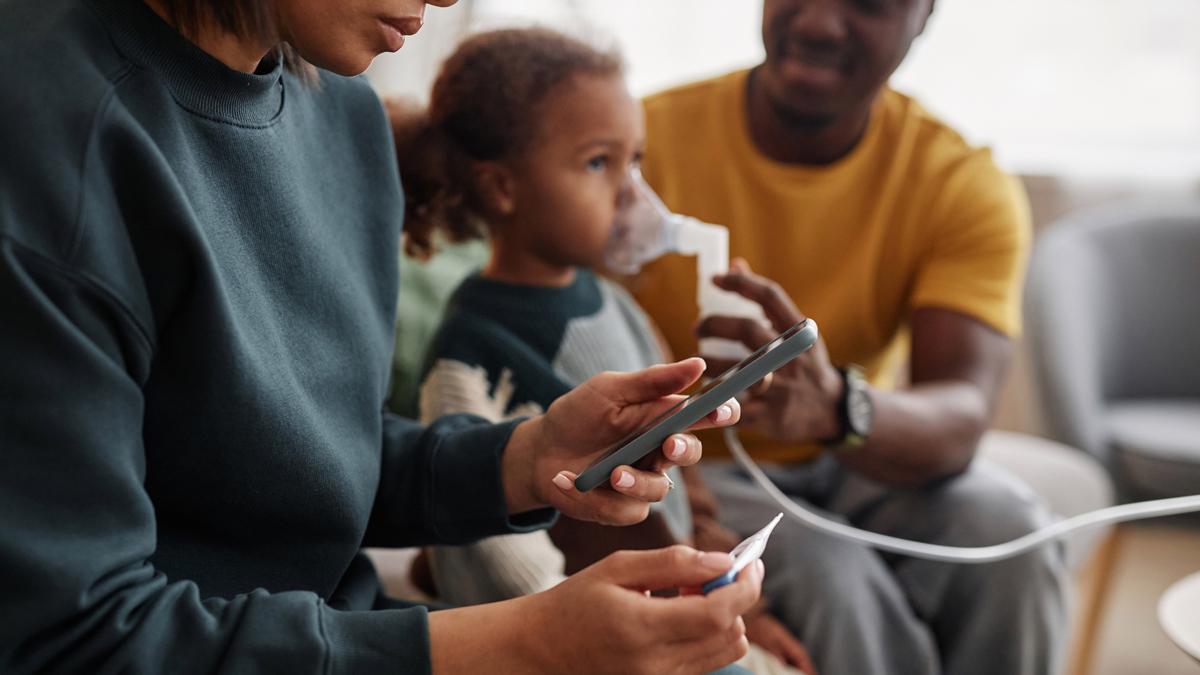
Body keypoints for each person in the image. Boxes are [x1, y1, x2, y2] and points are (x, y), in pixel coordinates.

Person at [0, 0, 764, 672]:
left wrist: (522, 458)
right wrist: (529, 645)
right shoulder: (49, 141)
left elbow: (287, 462)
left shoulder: (344, 116)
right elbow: (74, 637)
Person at [630, 1, 1067, 673]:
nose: (818, 23)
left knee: (1012, 532)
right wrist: (680, 510)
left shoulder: (959, 181)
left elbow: (961, 414)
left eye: (866, 3)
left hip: (856, 457)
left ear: (924, 16)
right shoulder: (635, 145)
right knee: (835, 573)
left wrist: (837, 405)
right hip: (695, 470)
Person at [389, 28, 817, 675]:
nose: (631, 192)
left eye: (635, 160)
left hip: (667, 611)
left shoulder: (619, 307)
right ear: (502, 187)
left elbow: (686, 487)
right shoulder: (468, 354)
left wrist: (739, 604)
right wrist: (578, 633)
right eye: (598, 163)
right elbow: (488, 555)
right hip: (589, 642)